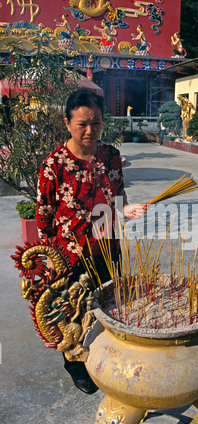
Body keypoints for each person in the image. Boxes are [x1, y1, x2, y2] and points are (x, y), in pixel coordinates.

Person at [36, 87, 146, 394]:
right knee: (71, 309)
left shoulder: (110, 156)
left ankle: (103, 351)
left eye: (95, 122)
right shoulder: (53, 164)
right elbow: (43, 216)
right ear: (67, 122)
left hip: (106, 245)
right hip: (68, 253)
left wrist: (126, 208)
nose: (89, 130)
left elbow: (119, 192)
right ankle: (74, 363)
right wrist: (49, 261)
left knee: (107, 301)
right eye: (82, 123)